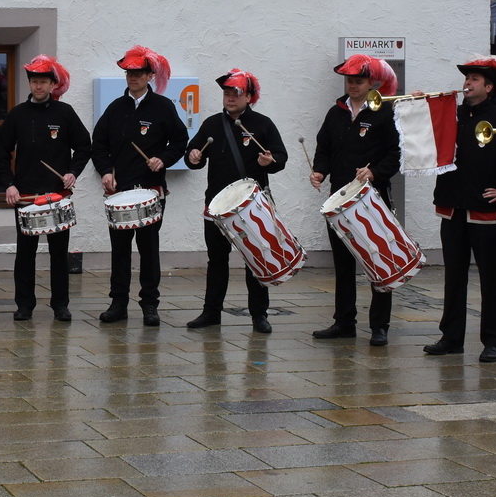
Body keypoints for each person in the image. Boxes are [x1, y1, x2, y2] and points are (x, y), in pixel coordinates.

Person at [423, 55, 496, 362]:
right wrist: (419, 107)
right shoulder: (452, 114)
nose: (467, 84)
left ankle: (492, 341)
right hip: (452, 205)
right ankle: (452, 337)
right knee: (453, 276)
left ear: (489, 86)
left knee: (490, 278)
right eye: (466, 79)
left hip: (485, 209)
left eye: (473, 80)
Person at [184, 70, 288, 334]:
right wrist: (193, 156)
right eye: (227, 94)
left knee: (255, 259)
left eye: (236, 94)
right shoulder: (211, 124)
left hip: (251, 206)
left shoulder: (263, 124)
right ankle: (211, 312)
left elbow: (280, 156)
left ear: (249, 97)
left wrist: (270, 161)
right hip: (217, 205)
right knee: (216, 260)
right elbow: (192, 155)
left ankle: (259, 315)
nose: (230, 98)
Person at [92, 46, 187, 327]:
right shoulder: (115, 108)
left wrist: (163, 159)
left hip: (150, 190)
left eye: (137, 73)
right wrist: (106, 171)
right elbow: (99, 145)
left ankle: (150, 305)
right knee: (119, 250)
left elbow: (180, 142)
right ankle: (118, 303)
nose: (132, 77)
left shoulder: (163, 107)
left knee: (148, 248)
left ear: (149, 75)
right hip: (119, 192)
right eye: (128, 73)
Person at [310, 54, 401, 346]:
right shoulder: (336, 112)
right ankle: (344, 322)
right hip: (339, 198)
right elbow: (323, 147)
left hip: (373, 198)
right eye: (349, 80)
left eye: (358, 81)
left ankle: (380, 326)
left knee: (378, 260)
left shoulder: (385, 112)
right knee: (343, 263)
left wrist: (375, 172)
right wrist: (319, 171)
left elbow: (396, 154)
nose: (353, 85)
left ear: (372, 82)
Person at [0, 55, 91, 322]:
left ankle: (60, 304)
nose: (38, 86)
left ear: (52, 84)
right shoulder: (17, 115)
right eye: (34, 81)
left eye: (43, 81)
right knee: (25, 254)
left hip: (57, 196)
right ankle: (24, 305)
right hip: (25, 196)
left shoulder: (65, 113)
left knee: (59, 254)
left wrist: (72, 171)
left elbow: (84, 146)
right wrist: (9, 184)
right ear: (30, 84)